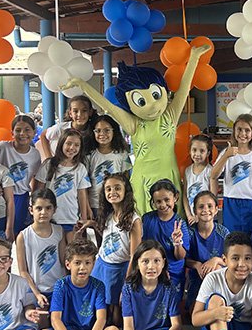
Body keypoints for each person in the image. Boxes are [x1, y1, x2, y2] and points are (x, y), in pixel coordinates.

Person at [62, 45, 211, 215]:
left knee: (171, 222)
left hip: (169, 178)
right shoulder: (134, 124)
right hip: (142, 181)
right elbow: (109, 107)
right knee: (144, 223)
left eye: (155, 95)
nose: (152, 105)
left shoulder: (169, 116)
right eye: (141, 101)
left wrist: (194, 58)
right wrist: (82, 85)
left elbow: (184, 89)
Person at [37, 239, 120, 330]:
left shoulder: (98, 286)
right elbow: (55, 319)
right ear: (68, 264)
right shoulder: (61, 285)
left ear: (93, 264)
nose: (83, 267)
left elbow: (101, 319)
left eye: (87, 262)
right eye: (77, 263)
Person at [86, 172, 141, 325]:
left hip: (120, 269)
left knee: (116, 309)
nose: (112, 192)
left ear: (126, 191)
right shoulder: (108, 213)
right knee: (99, 305)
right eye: (108, 189)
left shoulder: (134, 220)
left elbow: (134, 256)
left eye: (117, 188)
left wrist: (127, 283)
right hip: (102, 265)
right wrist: (91, 224)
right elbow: (108, 234)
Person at [15, 188, 66, 329]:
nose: (43, 212)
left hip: (57, 289)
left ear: (54, 210)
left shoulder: (59, 231)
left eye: (48, 208)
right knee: (42, 326)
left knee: (60, 324)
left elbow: (64, 262)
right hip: (36, 290)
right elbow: (23, 271)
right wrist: (37, 294)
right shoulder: (23, 236)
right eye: (39, 208)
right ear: (31, 210)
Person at [211, 114, 252, 234]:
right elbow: (213, 175)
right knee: (231, 237)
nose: (243, 133)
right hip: (231, 202)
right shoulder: (226, 153)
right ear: (234, 131)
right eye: (239, 129)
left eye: (247, 130)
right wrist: (226, 156)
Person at [35, 128, 92, 245]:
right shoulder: (49, 164)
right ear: (61, 143)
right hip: (50, 217)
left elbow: (82, 194)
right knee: (53, 248)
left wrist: (84, 218)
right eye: (68, 143)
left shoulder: (80, 168)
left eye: (76, 145)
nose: (72, 148)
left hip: (71, 217)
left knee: (71, 248)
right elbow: (39, 190)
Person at [142, 179, 190, 304]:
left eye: (167, 200)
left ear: (175, 197)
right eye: (158, 201)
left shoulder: (180, 224)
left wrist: (177, 243)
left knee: (171, 307)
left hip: (173, 273)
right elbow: (141, 249)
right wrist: (158, 270)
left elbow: (180, 257)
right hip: (152, 270)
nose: (163, 205)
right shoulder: (147, 220)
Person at [0, 115, 41, 236]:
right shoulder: (3, 147)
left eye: (27, 130)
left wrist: (33, 198)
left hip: (21, 198)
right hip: (1, 196)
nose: (22, 133)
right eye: (18, 130)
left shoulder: (35, 154)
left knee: (18, 234)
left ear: (34, 133)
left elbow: (35, 177)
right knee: (0, 232)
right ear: (12, 133)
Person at [185, 190, 229, 308]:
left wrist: (216, 260)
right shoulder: (189, 233)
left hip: (218, 279)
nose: (205, 210)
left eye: (210, 206)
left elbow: (231, 259)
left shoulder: (223, 233)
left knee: (217, 268)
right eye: (201, 207)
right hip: (198, 278)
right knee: (195, 311)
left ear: (216, 210)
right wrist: (197, 265)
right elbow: (182, 259)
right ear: (195, 211)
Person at [85, 114, 132, 219]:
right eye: (98, 131)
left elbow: (126, 180)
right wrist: (87, 207)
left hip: (115, 204)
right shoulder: (89, 155)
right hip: (94, 204)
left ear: (114, 131)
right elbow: (84, 183)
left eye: (107, 130)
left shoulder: (121, 154)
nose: (102, 134)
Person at [183, 134, 214, 224]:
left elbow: (213, 198)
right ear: (190, 151)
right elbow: (185, 195)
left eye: (202, 151)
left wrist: (199, 217)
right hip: (191, 219)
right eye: (194, 150)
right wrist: (189, 215)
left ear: (208, 153)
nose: (197, 154)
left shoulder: (210, 171)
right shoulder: (187, 171)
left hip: (206, 219)